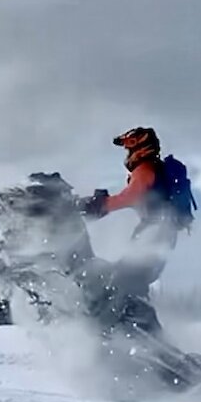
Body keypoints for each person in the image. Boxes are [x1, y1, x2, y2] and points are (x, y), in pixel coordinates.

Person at [80, 127, 181, 300]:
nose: (128, 152)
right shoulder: (155, 171)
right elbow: (138, 200)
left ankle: (129, 321)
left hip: (154, 230)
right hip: (159, 230)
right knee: (130, 279)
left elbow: (130, 197)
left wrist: (97, 205)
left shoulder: (145, 170)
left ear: (141, 146)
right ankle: (134, 320)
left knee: (125, 280)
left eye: (130, 147)